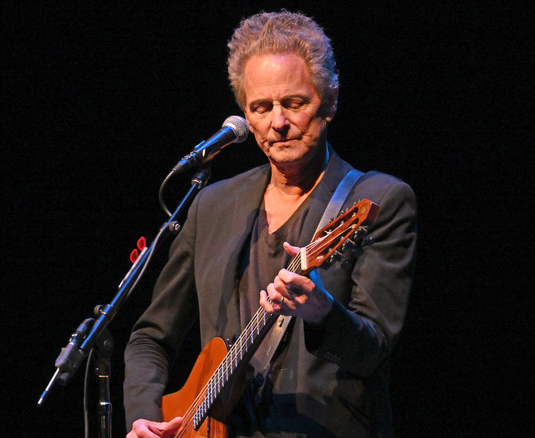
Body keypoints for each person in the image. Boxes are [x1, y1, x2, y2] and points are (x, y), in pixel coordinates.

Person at [123, 10, 417, 438]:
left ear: (330, 101)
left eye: (294, 103)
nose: (277, 123)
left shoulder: (379, 200)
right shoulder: (212, 205)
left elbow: (374, 351)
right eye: (260, 108)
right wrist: (143, 416)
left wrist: (322, 313)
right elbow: (151, 336)